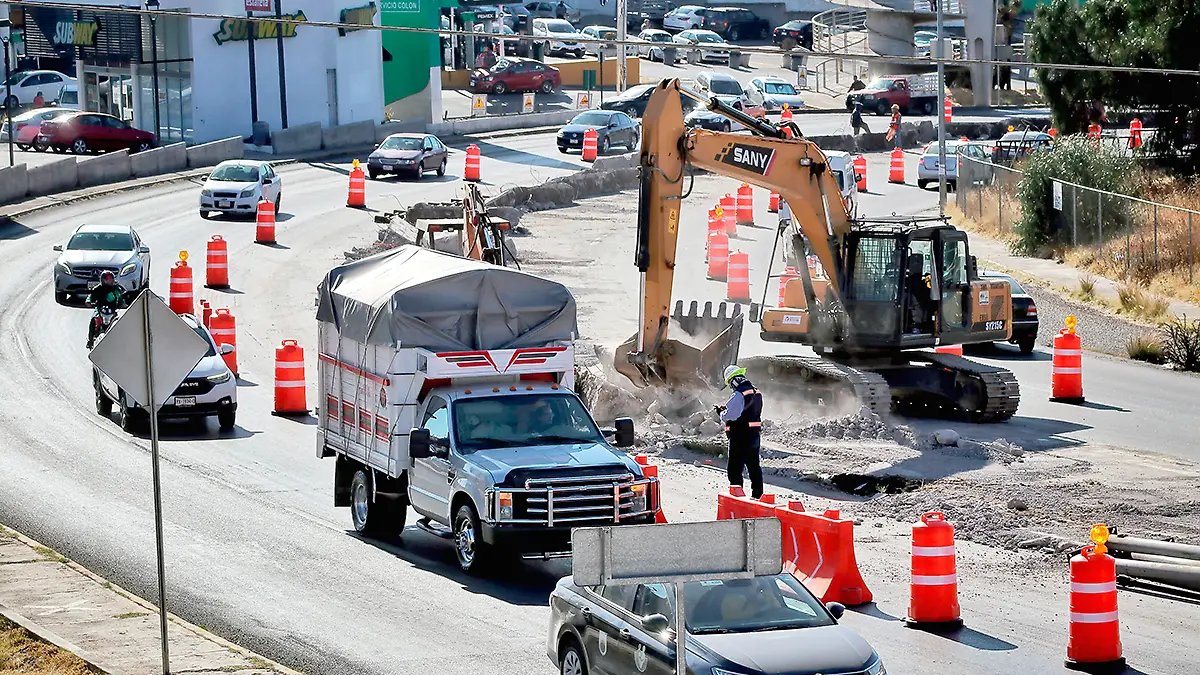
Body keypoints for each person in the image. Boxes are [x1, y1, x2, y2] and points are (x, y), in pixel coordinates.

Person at [715, 365, 764, 499]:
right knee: (754, 466)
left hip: (739, 435)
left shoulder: (739, 394)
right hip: (754, 435)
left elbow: (731, 415)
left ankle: (736, 497)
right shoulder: (756, 392)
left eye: (730, 383)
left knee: (735, 468)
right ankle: (758, 496)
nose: (731, 386)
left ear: (733, 380)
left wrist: (721, 413)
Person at [85, 271, 125, 349]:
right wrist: (89, 301)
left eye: (111, 279)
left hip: (112, 310)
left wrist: (123, 302)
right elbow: (91, 296)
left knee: (119, 322)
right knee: (93, 319)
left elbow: (121, 296)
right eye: (107, 280)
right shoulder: (98, 289)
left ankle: (121, 340)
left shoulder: (116, 288)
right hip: (100, 309)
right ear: (103, 280)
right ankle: (90, 340)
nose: (110, 281)